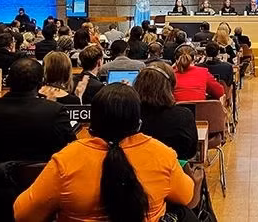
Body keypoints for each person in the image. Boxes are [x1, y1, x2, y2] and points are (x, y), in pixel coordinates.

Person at [14, 84, 195, 222]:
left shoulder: (67, 159)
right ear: (138, 122)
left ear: (93, 122)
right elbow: (186, 196)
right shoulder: (161, 154)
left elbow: (22, 213)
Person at [0, 58, 76, 163]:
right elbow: (71, 146)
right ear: (40, 84)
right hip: (41, 177)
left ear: (7, 81)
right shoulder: (55, 111)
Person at [134, 61, 199, 161]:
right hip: (171, 173)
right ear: (171, 87)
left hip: (132, 173)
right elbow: (191, 152)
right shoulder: (183, 116)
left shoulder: (128, 117)